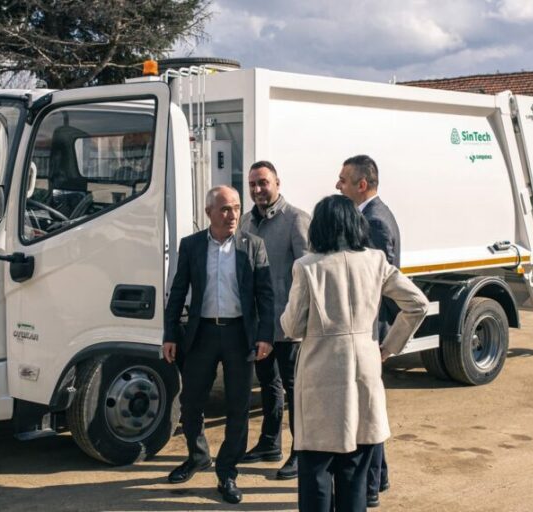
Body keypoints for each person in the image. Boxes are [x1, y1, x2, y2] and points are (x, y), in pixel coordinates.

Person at [280, 195, 429, 512]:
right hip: (364, 370)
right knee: (354, 474)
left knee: (316, 473)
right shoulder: (375, 261)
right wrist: (389, 346)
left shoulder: (308, 267)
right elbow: (418, 303)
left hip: (320, 374)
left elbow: (292, 326)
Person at [162, 185, 275, 505]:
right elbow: (178, 290)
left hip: (240, 334)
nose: (232, 215)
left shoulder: (253, 245)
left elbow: (265, 295)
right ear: (209, 211)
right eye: (225, 208)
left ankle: (227, 471)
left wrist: (265, 335)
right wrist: (170, 334)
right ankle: (198, 456)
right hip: (203, 333)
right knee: (191, 402)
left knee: (238, 406)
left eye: (236, 208)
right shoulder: (192, 245)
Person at [237, 161, 311, 480]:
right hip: (259, 325)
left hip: (288, 324)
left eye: (263, 183)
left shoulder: (296, 220)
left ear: (277, 183)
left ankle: (301, 452)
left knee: (296, 390)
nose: (257, 189)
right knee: (268, 384)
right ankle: (269, 443)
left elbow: (309, 274)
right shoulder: (246, 221)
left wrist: (302, 319)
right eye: (252, 184)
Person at [335, 154, 400, 507]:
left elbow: (377, 283)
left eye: (343, 180)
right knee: (370, 409)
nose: (338, 185)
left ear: (361, 185)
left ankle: (370, 487)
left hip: (370, 329)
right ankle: (380, 476)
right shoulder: (372, 214)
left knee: (368, 414)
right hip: (369, 329)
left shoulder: (374, 221)